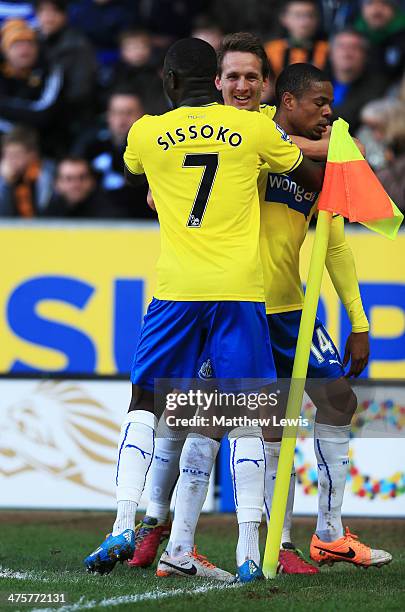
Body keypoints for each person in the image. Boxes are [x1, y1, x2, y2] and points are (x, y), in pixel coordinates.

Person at [131, 34, 392, 579]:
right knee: (205, 420)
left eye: (253, 76)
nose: (242, 85)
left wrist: (359, 321)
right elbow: (163, 189)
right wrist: (340, 143)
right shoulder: (230, 137)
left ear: (270, 88)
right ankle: (166, 534)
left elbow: (334, 240)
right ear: (216, 83)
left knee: (328, 405)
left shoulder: (277, 135)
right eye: (232, 77)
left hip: (286, 307)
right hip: (226, 301)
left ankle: (313, 537)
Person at [83, 36, 325, 582]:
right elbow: (306, 169)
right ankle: (247, 552)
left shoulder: (144, 131)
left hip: (175, 290)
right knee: (251, 417)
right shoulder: (254, 129)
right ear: (215, 79)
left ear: (168, 81)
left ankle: (126, 522)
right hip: (242, 292)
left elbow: (139, 174)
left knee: (146, 404)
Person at [73, 90, 154, 219]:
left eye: (128, 113)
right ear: (108, 116)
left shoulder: (153, 149)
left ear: (142, 115)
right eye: (116, 113)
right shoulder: (90, 147)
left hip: (143, 223)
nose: (122, 120)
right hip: (93, 223)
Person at [0, 18, 65, 157]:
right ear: (5, 50)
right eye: (17, 44)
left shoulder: (49, 69)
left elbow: (44, 114)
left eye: (29, 43)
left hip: (45, 146)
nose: (24, 49)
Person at [326, 28, 389, 131]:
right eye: (341, 47)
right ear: (330, 54)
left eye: (354, 48)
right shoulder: (316, 81)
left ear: (365, 55)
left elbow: (351, 118)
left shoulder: (377, 86)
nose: (347, 53)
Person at [264, 1, 329, 79]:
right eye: (298, 15)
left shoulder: (328, 50)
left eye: (310, 15)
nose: (305, 22)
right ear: (284, 18)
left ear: (317, 20)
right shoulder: (270, 50)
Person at [0, 125, 54, 216]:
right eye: (7, 154)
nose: (10, 160)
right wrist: (7, 184)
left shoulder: (47, 173)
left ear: (33, 155)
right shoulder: (3, 175)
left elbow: (43, 214)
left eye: (16, 154)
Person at [43, 156, 114, 217]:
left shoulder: (111, 217)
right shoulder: (46, 218)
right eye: (69, 179)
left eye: (82, 178)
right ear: (57, 184)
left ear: (92, 181)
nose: (76, 184)